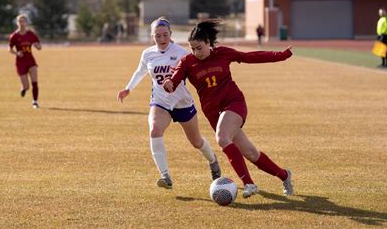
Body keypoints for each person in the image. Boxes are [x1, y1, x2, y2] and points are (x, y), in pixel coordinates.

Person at [163, 19, 294, 198]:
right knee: (250, 153)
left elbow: (250, 57)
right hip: (213, 113)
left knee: (222, 138)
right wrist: (169, 83)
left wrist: (280, 55)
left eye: (199, 47)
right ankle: (285, 175)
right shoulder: (187, 61)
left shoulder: (223, 53)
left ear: (209, 42)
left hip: (234, 103)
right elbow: (175, 77)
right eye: (192, 48)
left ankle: (249, 184)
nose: (196, 52)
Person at [117, 17, 221, 189]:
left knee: (196, 141)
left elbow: (198, 72)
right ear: (152, 36)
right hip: (160, 102)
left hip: (182, 102)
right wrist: (128, 89)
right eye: (157, 36)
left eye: (165, 35)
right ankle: (165, 176)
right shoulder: (148, 54)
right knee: (155, 130)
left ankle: (213, 161)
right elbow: (140, 72)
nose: (162, 39)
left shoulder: (182, 53)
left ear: (171, 34)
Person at [8, 14, 42, 108]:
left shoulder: (31, 34)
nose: (22, 23)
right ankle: (24, 89)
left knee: (35, 82)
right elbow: (9, 49)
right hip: (20, 63)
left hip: (30, 60)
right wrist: (16, 53)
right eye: (20, 21)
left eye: (23, 21)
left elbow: (39, 46)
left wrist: (37, 46)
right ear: (17, 23)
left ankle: (35, 102)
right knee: (27, 86)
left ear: (26, 22)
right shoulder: (14, 36)